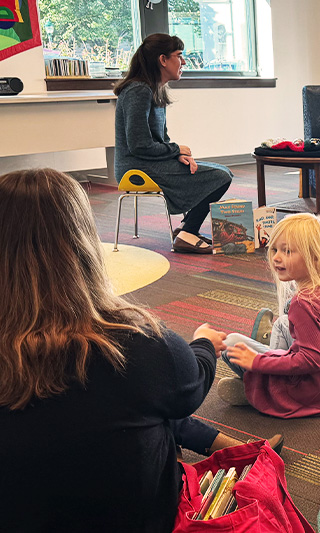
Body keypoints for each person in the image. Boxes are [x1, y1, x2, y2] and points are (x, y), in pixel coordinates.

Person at [0, 168, 277, 531]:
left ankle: (233, 450)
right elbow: (192, 383)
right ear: (84, 245)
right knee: (155, 401)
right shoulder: (137, 345)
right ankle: (242, 455)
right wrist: (205, 345)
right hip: (140, 518)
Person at [215, 213, 320, 417]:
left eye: (287, 251)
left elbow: (312, 360)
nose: (276, 257)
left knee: (230, 342)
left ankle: (260, 390)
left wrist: (256, 362)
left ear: (315, 257)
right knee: (282, 322)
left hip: (310, 393)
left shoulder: (304, 302)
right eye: (275, 249)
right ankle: (265, 363)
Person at [114, 33, 233, 254]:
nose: (184, 61)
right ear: (163, 60)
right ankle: (188, 232)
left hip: (150, 163)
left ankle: (186, 230)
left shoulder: (153, 89)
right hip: (136, 168)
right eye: (179, 55)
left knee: (222, 172)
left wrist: (177, 155)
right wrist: (176, 149)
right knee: (220, 177)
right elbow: (139, 145)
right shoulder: (139, 91)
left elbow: (162, 139)